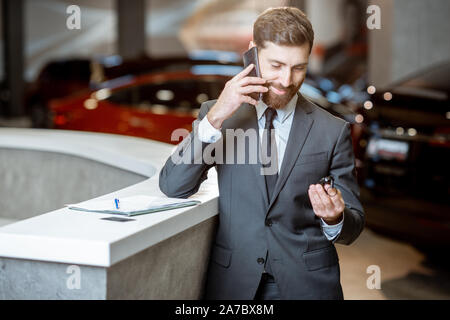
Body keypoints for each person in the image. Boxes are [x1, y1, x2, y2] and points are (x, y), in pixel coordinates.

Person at [159, 7, 364, 300]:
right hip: (235, 283)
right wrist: (215, 118)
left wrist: (335, 219)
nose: (286, 80)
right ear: (252, 53)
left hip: (308, 287)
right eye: (276, 65)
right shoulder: (218, 116)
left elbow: (354, 225)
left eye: (299, 67)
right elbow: (173, 186)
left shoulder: (332, 131)